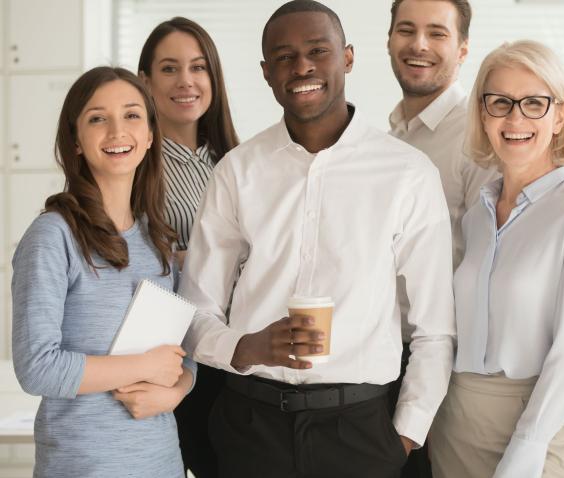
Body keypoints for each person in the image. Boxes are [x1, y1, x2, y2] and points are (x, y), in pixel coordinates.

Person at [179, 1, 455, 477]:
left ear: (347, 58)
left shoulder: (407, 173)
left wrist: (405, 436)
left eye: (317, 50)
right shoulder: (237, 172)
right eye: (284, 56)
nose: (301, 66)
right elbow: (196, 309)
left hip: (361, 432)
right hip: (250, 425)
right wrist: (244, 347)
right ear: (266, 72)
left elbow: (435, 328)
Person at [429, 40, 564, 478]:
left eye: (534, 103)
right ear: (483, 114)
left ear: (560, 116)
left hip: (544, 419)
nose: (515, 118)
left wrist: (529, 444)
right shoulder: (477, 213)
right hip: (459, 418)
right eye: (500, 103)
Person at [12, 66, 195, 477]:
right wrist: (145, 367)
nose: (117, 131)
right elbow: (37, 367)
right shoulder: (52, 237)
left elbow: (183, 353)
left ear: (150, 135)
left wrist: (178, 389)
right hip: (83, 467)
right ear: (76, 140)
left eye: (132, 115)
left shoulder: (158, 239)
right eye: (97, 118)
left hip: (162, 463)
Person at [386, 1, 497, 475]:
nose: (419, 45)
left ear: (463, 48)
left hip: (445, 366)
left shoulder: (478, 138)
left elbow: (488, 268)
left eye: (437, 33)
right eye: (406, 31)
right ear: (389, 40)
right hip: (386, 361)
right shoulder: (390, 134)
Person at [138, 17, 239, 477]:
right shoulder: (136, 165)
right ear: (145, 82)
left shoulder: (235, 162)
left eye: (198, 67)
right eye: (169, 69)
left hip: (237, 357)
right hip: (175, 359)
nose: (186, 81)